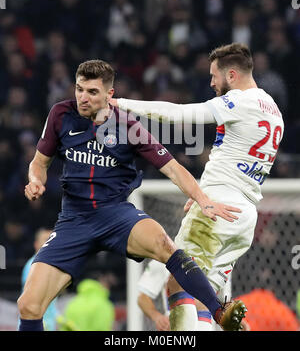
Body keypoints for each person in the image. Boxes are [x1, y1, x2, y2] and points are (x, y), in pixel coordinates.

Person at [17, 59, 245, 332]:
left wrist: (203, 200)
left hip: (115, 214)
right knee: (28, 305)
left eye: (92, 92)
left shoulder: (128, 126)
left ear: (109, 94)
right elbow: (39, 163)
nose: (83, 97)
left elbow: (172, 168)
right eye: (79, 89)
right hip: (73, 220)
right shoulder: (60, 114)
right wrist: (35, 181)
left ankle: (220, 311)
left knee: (165, 244)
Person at [111, 42, 285, 330]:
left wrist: (122, 104)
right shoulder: (274, 110)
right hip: (244, 216)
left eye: (214, 76)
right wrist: (201, 193)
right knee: (206, 297)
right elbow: (235, 156)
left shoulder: (240, 101)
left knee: (178, 281)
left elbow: (179, 114)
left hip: (218, 210)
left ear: (231, 75)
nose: (211, 82)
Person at [21, 228, 58, 331]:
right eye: (46, 240)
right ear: (36, 244)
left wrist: (57, 316)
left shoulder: (48, 265)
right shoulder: (33, 266)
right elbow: (31, 299)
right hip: (35, 324)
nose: (50, 243)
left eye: (51, 239)